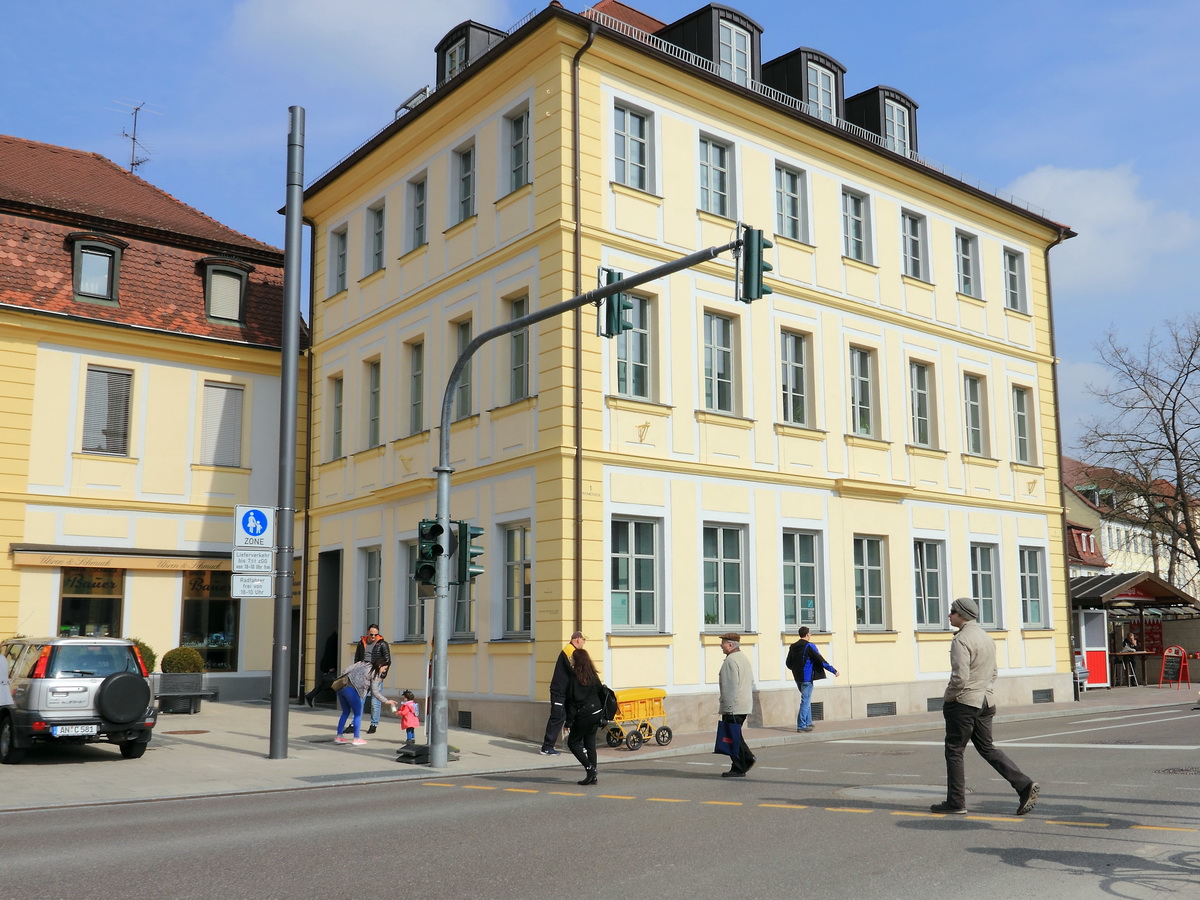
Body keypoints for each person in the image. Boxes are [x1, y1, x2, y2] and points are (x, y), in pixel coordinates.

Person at [931, 597, 1039, 816]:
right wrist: (984, 689)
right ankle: (1024, 785)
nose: (949, 615)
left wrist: (949, 697)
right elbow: (995, 672)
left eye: (952, 611)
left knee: (954, 751)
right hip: (986, 701)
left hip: (964, 702)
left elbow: (960, 678)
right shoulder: (986, 637)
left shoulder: (961, 640)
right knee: (987, 748)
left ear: (962, 615)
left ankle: (956, 802)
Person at [563, 647, 605, 785]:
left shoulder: (574, 678)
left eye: (572, 658)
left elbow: (572, 703)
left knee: (573, 743)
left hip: (584, 715)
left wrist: (568, 722)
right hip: (596, 712)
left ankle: (590, 768)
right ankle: (593, 776)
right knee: (590, 744)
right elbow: (600, 692)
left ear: (577, 660)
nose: (571, 660)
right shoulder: (593, 675)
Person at [717, 632, 756, 778]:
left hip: (734, 706)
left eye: (723, 643)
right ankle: (741, 763)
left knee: (732, 736)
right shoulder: (742, 658)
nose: (721, 646)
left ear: (731, 645)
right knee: (735, 735)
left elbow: (730, 686)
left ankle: (742, 763)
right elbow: (750, 681)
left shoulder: (731, 660)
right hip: (743, 703)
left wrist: (728, 707)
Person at [785, 626, 839, 732]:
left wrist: (796, 670)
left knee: (807, 699)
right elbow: (821, 661)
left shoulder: (793, 646)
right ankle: (801, 725)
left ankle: (808, 723)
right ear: (807, 634)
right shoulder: (809, 646)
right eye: (809, 633)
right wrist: (834, 671)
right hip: (806, 678)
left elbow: (788, 663)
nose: (810, 635)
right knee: (805, 701)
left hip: (797, 677)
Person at [540, 631, 585, 756]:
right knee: (557, 717)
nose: (584, 643)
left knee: (573, 716)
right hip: (559, 691)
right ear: (577, 640)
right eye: (583, 640)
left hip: (566, 691)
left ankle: (577, 745)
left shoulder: (572, 650)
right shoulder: (569, 651)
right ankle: (547, 747)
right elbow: (575, 670)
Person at [335, 658, 396, 745]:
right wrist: (386, 701)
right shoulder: (374, 674)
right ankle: (356, 738)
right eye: (384, 668)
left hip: (341, 687)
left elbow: (345, 671)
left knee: (345, 712)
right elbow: (375, 692)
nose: (384, 671)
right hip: (352, 691)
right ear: (379, 666)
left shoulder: (362, 664)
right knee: (358, 714)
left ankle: (339, 736)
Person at [350, 625, 391, 733]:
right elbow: (357, 659)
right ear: (368, 633)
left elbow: (387, 660)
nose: (373, 636)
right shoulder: (361, 643)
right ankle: (354, 723)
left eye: (375, 634)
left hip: (376, 675)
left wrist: (382, 676)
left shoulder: (382, 644)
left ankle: (374, 724)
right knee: (359, 700)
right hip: (363, 675)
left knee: (375, 701)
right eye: (371, 634)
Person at [305, 630, 339, 707]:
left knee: (327, 683)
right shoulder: (333, 639)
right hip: (329, 665)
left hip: (328, 664)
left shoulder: (333, 637)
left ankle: (310, 695)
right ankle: (310, 695)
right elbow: (329, 653)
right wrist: (331, 666)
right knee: (329, 683)